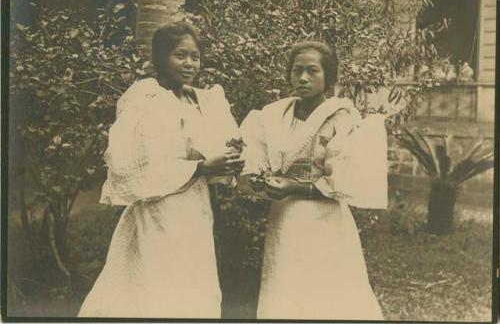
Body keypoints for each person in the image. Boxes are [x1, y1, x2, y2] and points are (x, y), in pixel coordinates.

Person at [78, 22, 244, 318]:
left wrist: (230, 158)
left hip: (195, 208)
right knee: (157, 286)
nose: (189, 63)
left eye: (195, 56)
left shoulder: (202, 101)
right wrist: (201, 166)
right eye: (180, 55)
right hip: (159, 209)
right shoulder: (147, 99)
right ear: (160, 58)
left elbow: (216, 146)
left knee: (193, 285)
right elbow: (140, 162)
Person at [239, 41, 396, 320]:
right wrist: (260, 179)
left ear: (329, 78)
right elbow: (254, 157)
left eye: (312, 71)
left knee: (326, 292)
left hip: (325, 219)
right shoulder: (274, 115)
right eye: (297, 70)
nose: (303, 78)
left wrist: (294, 186)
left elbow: (346, 182)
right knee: (286, 288)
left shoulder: (341, 117)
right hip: (285, 217)